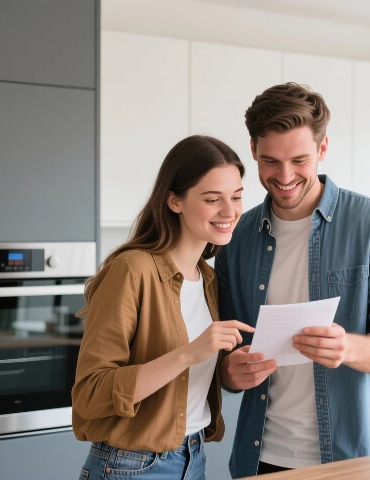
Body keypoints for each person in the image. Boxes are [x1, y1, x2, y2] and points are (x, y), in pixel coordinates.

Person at [214, 82, 370, 477]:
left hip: (355, 459)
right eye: (271, 161)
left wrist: (349, 347)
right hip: (261, 459)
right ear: (254, 150)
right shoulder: (236, 237)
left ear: (323, 150)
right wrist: (230, 373)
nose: (285, 176)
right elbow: (227, 353)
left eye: (300, 160)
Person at [71, 135, 254, 480]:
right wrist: (188, 353)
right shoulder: (132, 270)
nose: (229, 212)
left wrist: (231, 370)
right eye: (213, 199)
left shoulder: (208, 279)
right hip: (131, 466)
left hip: (194, 458)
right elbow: (90, 394)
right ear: (174, 201)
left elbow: (187, 386)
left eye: (236, 197)